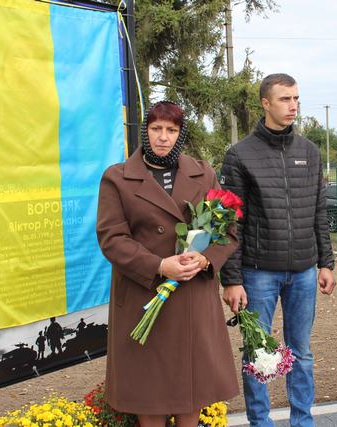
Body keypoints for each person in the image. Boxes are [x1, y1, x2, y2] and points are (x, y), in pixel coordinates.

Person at [97, 101, 239, 427]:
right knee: (150, 393)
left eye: (171, 130)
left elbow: (227, 231)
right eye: (156, 128)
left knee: (192, 390)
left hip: (192, 298)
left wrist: (204, 258)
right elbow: (112, 238)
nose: (163, 137)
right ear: (145, 131)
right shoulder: (117, 178)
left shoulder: (203, 172)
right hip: (144, 297)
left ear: (180, 134)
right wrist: (160, 266)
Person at [220, 73, 336, 427]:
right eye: (285, 99)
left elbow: (319, 210)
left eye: (296, 98)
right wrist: (232, 279)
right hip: (258, 274)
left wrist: (326, 262)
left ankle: (303, 421)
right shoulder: (239, 155)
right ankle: (261, 422)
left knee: (301, 353)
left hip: (303, 272)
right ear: (265, 103)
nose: (293, 106)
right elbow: (231, 223)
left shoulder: (309, 152)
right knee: (258, 353)